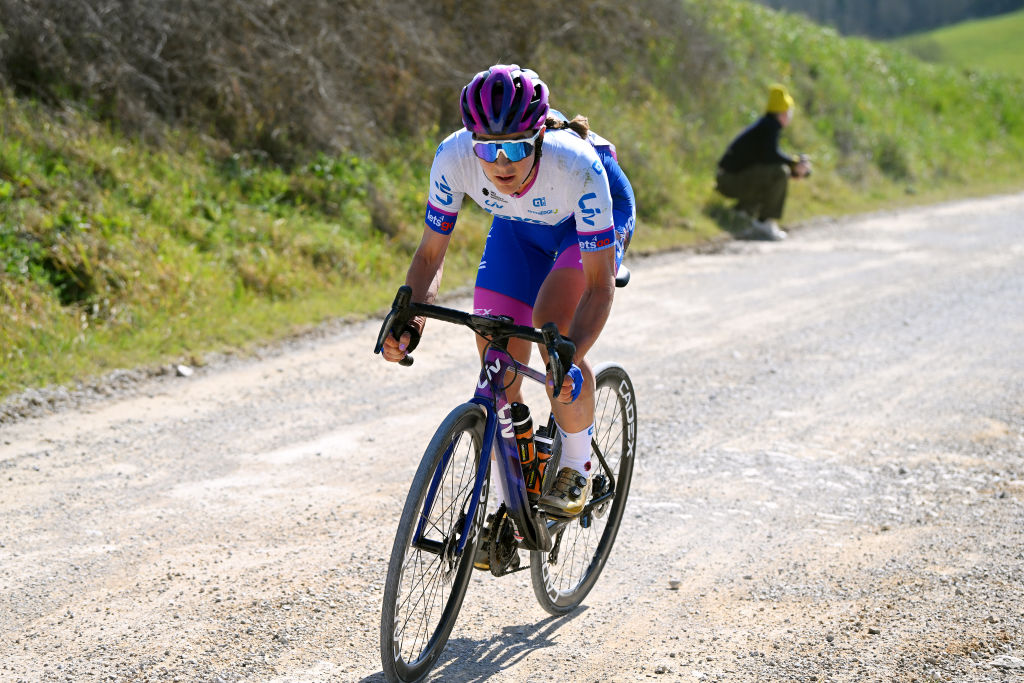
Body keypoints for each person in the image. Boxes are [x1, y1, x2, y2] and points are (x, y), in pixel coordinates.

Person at [379, 64, 636, 516]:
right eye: (488, 150)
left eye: (516, 147)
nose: (501, 164)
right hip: (519, 230)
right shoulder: (453, 157)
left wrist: (569, 354)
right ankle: (510, 490)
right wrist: (410, 317)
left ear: (538, 137)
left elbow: (599, 286)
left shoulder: (578, 166)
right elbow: (428, 255)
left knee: (551, 332)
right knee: (497, 353)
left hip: (585, 227)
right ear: (471, 142)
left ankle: (578, 464)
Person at [715, 83, 811, 241]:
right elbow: (771, 156)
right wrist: (793, 164)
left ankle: (744, 211)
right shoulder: (770, 126)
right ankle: (764, 222)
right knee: (780, 173)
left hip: (727, 179)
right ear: (782, 114)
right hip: (729, 181)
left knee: (776, 173)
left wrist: (792, 164)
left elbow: (765, 159)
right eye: (789, 113)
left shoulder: (766, 125)